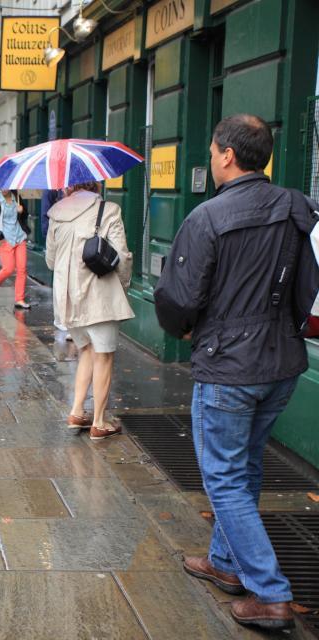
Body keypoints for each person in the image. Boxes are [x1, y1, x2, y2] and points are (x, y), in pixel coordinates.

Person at [154, 114, 319, 632]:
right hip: (282, 360)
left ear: (227, 155)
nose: (210, 156)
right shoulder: (297, 206)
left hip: (230, 367)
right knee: (245, 465)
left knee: (223, 478)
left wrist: (186, 330)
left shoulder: (208, 217)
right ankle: (226, 563)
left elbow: (180, 296)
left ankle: (271, 594)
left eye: (210, 149)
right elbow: (308, 285)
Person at [45, 181, 134, 440]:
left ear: (69, 186)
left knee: (86, 350)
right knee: (104, 356)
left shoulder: (56, 214)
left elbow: (51, 261)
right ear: (95, 183)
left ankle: (76, 412)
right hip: (100, 298)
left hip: (68, 300)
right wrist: (124, 286)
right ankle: (99, 422)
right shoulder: (108, 210)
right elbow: (122, 257)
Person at [0, 188, 31, 308]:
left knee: (22, 269)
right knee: (8, 269)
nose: (3, 189)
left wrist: (23, 211)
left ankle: (19, 299)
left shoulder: (18, 198)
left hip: (19, 237)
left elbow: (25, 216)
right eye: (1, 186)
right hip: (5, 238)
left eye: (6, 186)